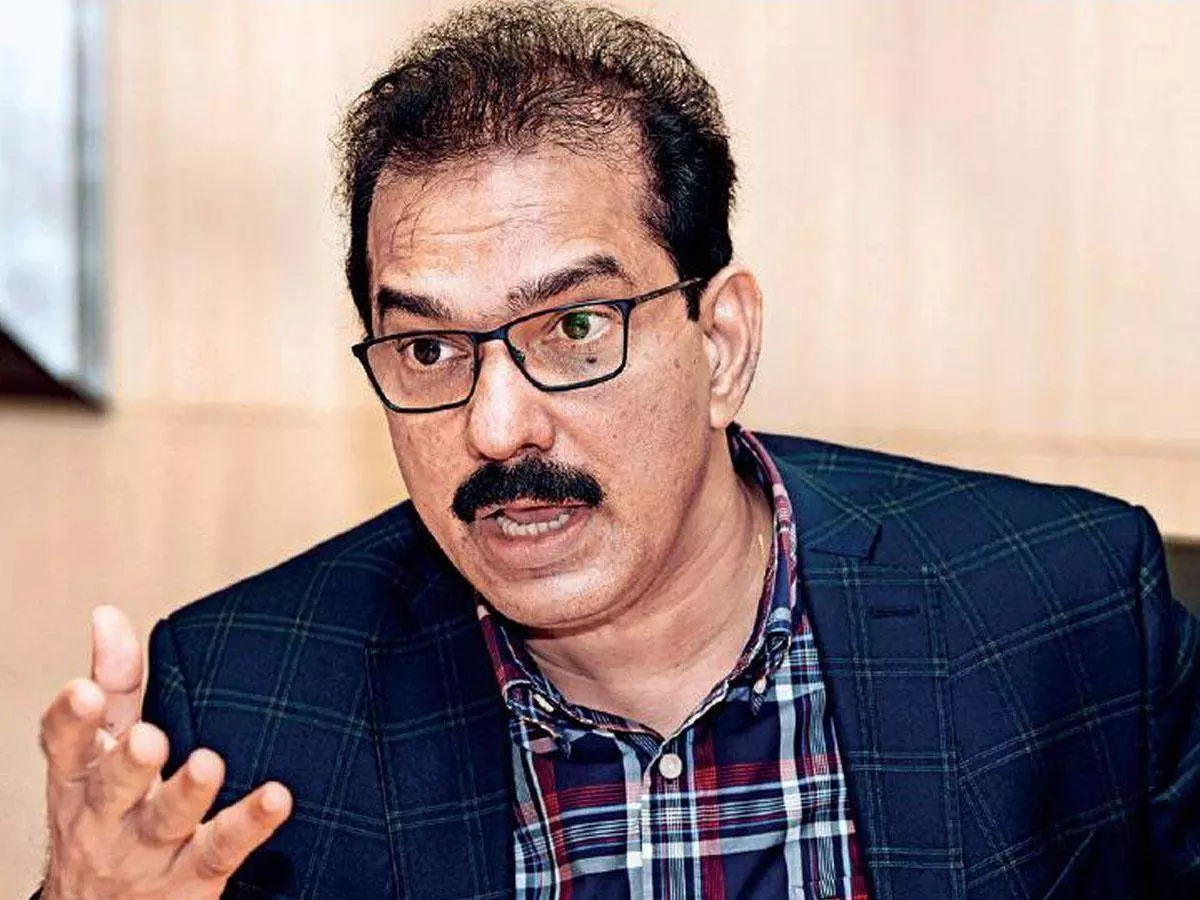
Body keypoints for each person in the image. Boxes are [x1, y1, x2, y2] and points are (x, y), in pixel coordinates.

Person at [34, 2, 1199, 898]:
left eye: (576, 328)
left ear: (722, 345)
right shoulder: (247, 707)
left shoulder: (1065, 614)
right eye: (429, 349)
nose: (497, 427)